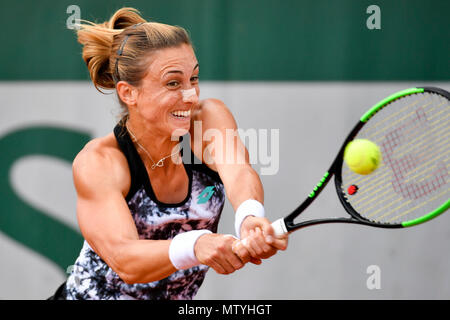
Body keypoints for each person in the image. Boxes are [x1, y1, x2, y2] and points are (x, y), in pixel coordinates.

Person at [51, 7, 288, 300]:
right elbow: (125, 259)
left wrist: (249, 216)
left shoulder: (207, 119)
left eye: (194, 79)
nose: (190, 96)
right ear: (128, 93)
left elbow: (238, 170)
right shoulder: (100, 162)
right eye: (173, 83)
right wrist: (196, 244)